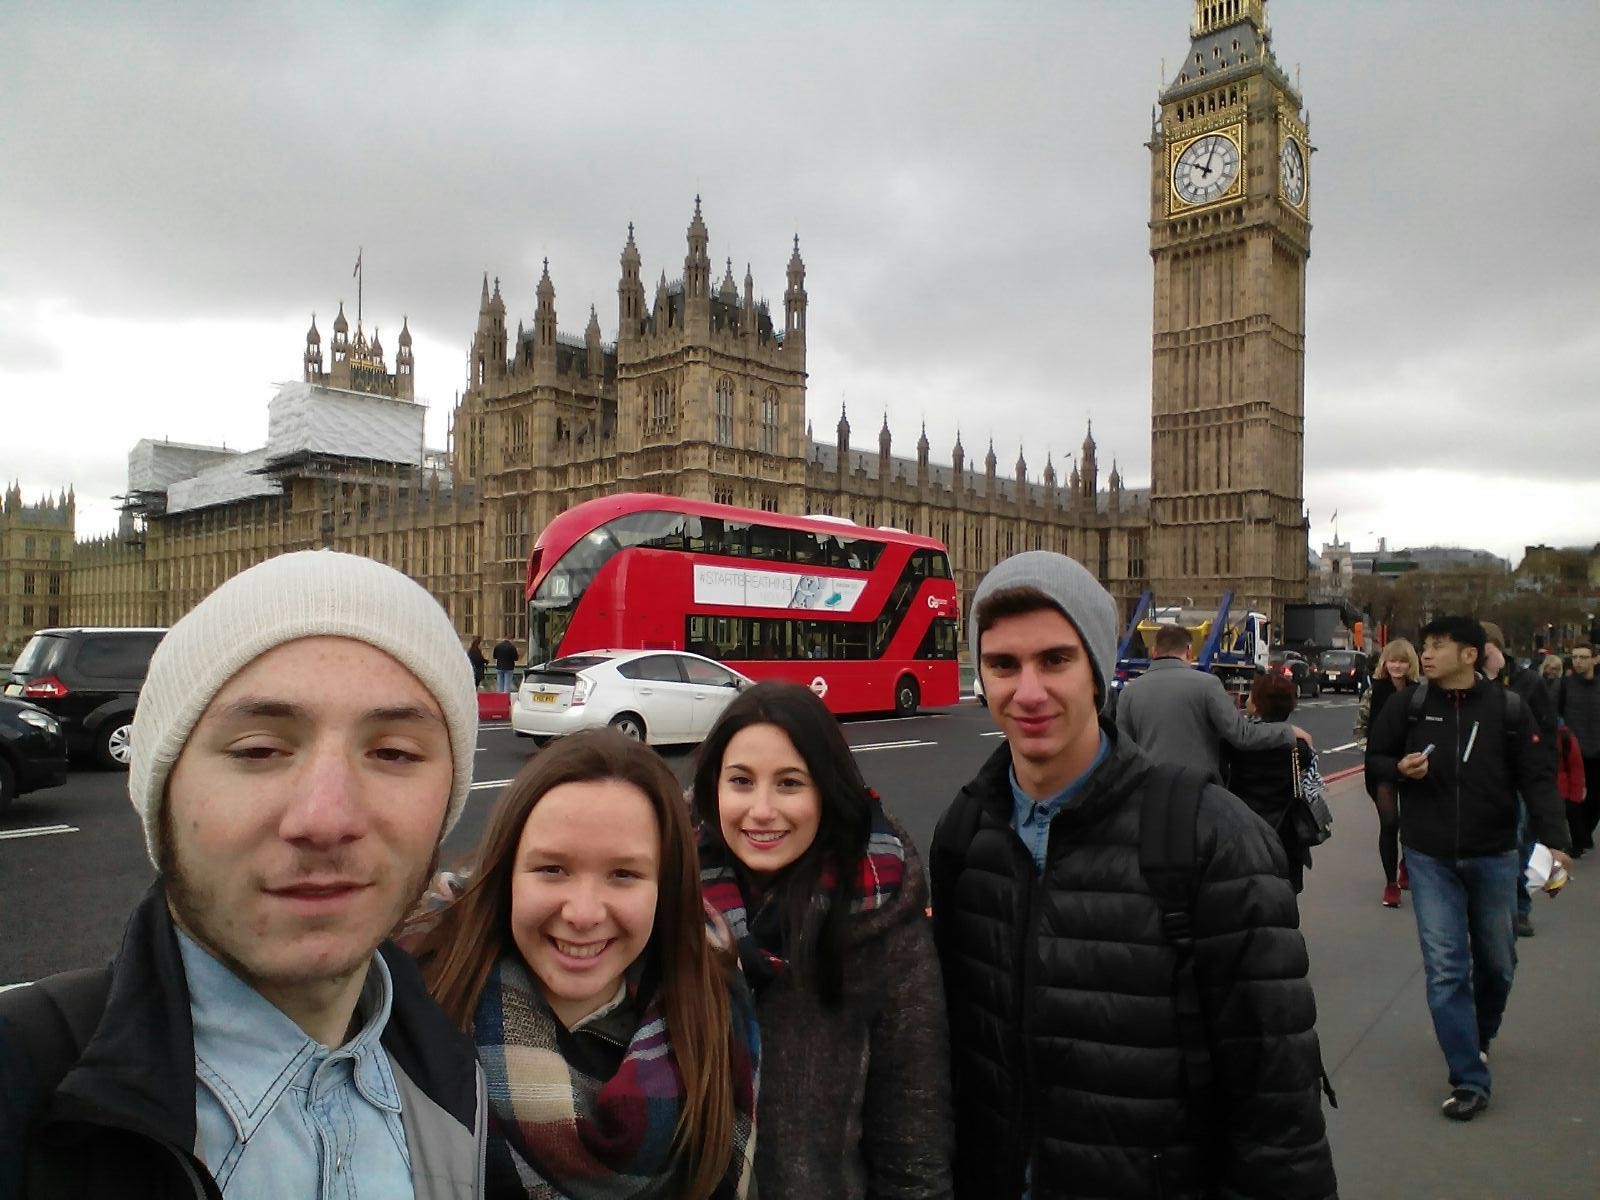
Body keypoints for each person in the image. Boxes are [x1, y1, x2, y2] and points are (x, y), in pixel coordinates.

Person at [0, 550, 487, 1198]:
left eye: (395, 753)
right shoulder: (21, 1082)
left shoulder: (455, 1077)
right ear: (160, 789)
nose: (326, 818)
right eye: (258, 750)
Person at [931, 551, 1335, 1199]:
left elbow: (1278, 1108)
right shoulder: (964, 830)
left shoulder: (1216, 840)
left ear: (1096, 671)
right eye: (1003, 664)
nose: (1027, 692)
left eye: (1055, 660)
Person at [411, 729, 760, 1199]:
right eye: (552, 869)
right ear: (506, 873)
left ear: (666, 888)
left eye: (624, 874)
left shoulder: (718, 1010)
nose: (583, 913)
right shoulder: (415, 1003)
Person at [693, 681, 953, 1199]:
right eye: (741, 781)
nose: (761, 810)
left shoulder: (884, 920)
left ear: (827, 792)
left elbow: (912, 1132)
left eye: (789, 784)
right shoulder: (663, 889)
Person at [1366, 615, 1572, 1121]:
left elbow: (1537, 778)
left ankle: (1478, 1034)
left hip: (1495, 853)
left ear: (1470, 655)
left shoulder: (1508, 708)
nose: (1426, 654)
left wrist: (1557, 844)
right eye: (1425, 645)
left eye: (1438, 645)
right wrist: (1397, 768)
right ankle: (1468, 1078)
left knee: (1497, 963)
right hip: (1428, 855)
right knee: (1446, 968)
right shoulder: (1409, 705)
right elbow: (1376, 758)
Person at [1116, 621, 1309, 783]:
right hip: (1199, 791)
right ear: (1189, 651)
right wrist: (1287, 731)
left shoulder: (1128, 692)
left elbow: (1123, 751)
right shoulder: (1207, 684)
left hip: (1150, 789)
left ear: (1153, 651)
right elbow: (1241, 735)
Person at [1481, 622, 1558, 937]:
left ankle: (1520, 908)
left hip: (1521, 776)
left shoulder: (1528, 682)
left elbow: (1547, 730)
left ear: (1496, 647)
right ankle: (1494, 908)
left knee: (1521, 842)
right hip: (1485, 777)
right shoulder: (1471, 683)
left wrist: (1545, 775)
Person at [1221, 670, 1325, 894]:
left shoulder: (1237, 744)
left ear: (1257, 704)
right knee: (1285, 889)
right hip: (1286, 828)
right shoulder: (1300, 747)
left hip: (1244, 824)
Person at [1355, 638, 1421, 906]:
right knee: (1390, 822)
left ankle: (1406, 865)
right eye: (1393, 660)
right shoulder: (1374, 692)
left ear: (1410, 664)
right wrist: (1369, 750)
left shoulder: (1420, 693)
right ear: (1385, 663)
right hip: (1382, 764)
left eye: (1402, 661)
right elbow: (1360, 727)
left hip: (1413, 762)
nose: (1397, 666)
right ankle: (1390, 883)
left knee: (1411, 822)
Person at [1558, 643, 1600, 856]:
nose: (1578, 661)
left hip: (1597, 751)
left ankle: (1584, 834)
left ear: (1595, 659)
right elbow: (1556, 713)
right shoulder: (1565, 685)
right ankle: (1577, 840)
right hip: (1573, 751)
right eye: (1575, 657)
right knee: (1573, 799)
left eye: (1583, 657)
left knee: (1595, 799)